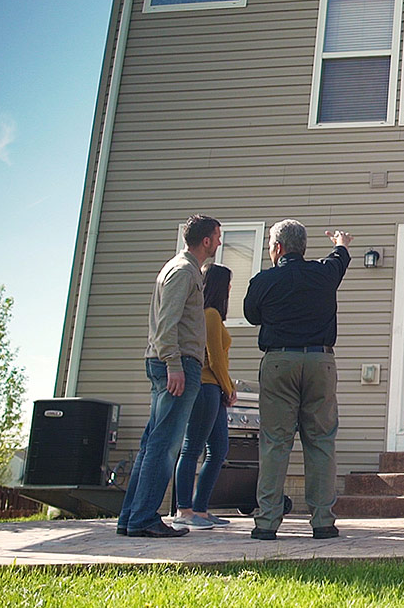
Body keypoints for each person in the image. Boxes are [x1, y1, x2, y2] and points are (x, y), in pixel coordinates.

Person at [243, 220, 351, 541]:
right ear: (303, 247)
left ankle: (266, 522)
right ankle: (322, 521)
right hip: (320, 361)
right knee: (320, 441)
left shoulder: (264, 280)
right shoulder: (324, 274)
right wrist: (341, 242)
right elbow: (340, 256)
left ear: (277, 248)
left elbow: (252, 315)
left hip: (279, 361)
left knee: (276, 442)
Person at [117, 214, 221, 538]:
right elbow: (166, 324)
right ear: (205, 240)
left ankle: (130, 518)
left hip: (171, 362)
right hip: (175, 365)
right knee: (164, 445)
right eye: (217, 236)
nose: (219, 242)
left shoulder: (185, 269)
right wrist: (174, 364)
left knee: (153, 442)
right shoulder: (182, 271)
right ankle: (144, 518)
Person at [171, 263, 238, 531]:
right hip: (206, 386)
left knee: (219, 449)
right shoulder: (209, 315)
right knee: (192, 448)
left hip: (215, 391)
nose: (231, 288)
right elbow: (215, 357)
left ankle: (200, 508)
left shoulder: (214, 317)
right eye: (229, 284)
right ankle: (184, 511)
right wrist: (229, 387)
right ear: (221, 286)